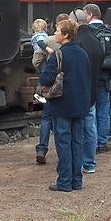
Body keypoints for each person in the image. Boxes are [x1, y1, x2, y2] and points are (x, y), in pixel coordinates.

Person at [38, 19, 91, 192]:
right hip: (80, 104)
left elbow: (45, 79)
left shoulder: (58, 55)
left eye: (57, 31)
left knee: (63, 143)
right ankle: (77, 181)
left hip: (61, 105)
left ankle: (64, 182)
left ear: (66, 35)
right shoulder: (83, 54)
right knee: (77, 142)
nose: (55, 33)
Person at [83, 3, 111, 153]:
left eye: (85, 14)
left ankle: (92, 143)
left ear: (90, 15)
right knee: (104, 109)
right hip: (106, 76)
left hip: (91, 76)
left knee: (90, 111)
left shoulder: (88, 33)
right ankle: (103, 142)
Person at [70, 7, 102, 174]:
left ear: (75, 22)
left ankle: (78, 163)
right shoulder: (97, 41)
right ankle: (90, 163)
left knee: (77, 130)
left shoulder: (77, 43)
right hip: (93, 90)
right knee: (91, 127)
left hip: (79, 93)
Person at [34, 13, 68, 165]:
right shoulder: (74, 43)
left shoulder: (48, 41)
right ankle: (65, 153)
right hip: (67, 84)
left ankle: (42, 149)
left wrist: (43, 71)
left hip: (51, 84)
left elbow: (36, 61)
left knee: (47, 117)